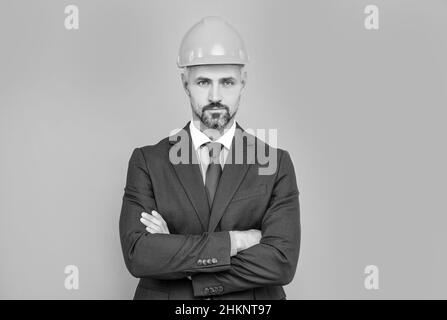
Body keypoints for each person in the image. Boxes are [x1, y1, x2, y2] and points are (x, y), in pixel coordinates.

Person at [119, 16, 301, 300]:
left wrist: (175, 253)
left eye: (227, 82)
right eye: (203, 81)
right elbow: (139, 255)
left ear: (243, 82)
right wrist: (236, 241)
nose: (215, 96)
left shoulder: (275, 164)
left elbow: (281, 262)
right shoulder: (147, 162)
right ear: (185, 83)